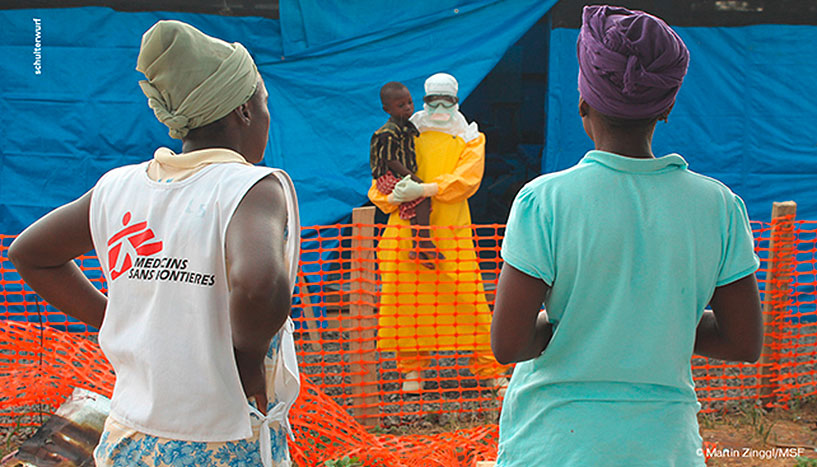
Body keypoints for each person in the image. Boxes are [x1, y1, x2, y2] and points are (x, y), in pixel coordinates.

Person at [9, 20, 300, 467]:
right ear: (243, 110)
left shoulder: (118, 188)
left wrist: (112, 317)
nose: (266, 116)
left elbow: (30, 254)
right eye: (263, 104)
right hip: (221, 443)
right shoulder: (251, 187)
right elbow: (259, 283)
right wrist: (248, 361)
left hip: (128, 441)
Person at [491, 5, 763, 466]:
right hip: (665, 447)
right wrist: (656, 322)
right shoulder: (717, 206)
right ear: (668, 107)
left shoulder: (545, 201)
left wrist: (581, 321)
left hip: (554, 444)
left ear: (582, 102)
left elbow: (509, 344)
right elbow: (743, 342)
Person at [369, 73, 507, 392]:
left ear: (457, 100)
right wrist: (390, 197)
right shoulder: (403, 132)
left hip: (451, 231)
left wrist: (432, 188)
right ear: (425, 99)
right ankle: (412, 371)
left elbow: (468, 179)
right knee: (407, 301)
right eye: (434, 100)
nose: (440, 107)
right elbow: (380, 176)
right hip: (404, 232)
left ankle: (490, 369)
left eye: (448, 100)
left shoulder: (470, 137)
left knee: (470, 299)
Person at [370, 81, 442, 269]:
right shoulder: (388, 133)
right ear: (387, 109)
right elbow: (390, 160)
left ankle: (417, 246)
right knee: (421, 198)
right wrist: (412, 176)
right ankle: (423, 242)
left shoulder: (407, 127)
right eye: (401, 105)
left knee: (418, 202)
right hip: (388, 177)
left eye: (410, 102)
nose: (408, 108)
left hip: (400, 175)